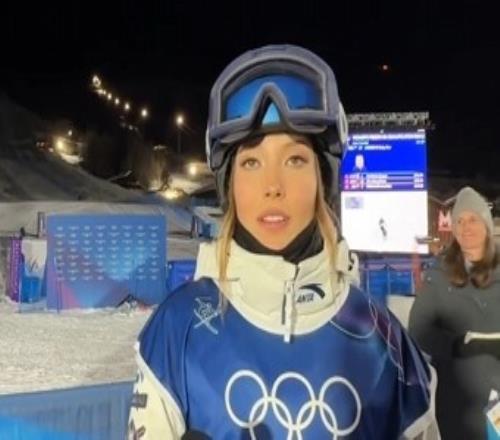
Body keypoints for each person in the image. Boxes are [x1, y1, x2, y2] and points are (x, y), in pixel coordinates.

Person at [128, 44, 439, 439]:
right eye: (251, 162)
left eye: (295, 160)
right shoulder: (178, 328)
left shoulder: (384, 341)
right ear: (229, 185)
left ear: (321, 180)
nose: (272, 186)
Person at [409, 186, 500, 440]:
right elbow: (418, 330)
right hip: (456, 403)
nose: (465, 227)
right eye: (459, 221)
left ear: (486, 225)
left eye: (472, 219)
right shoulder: (439, 275)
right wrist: (458, 345)